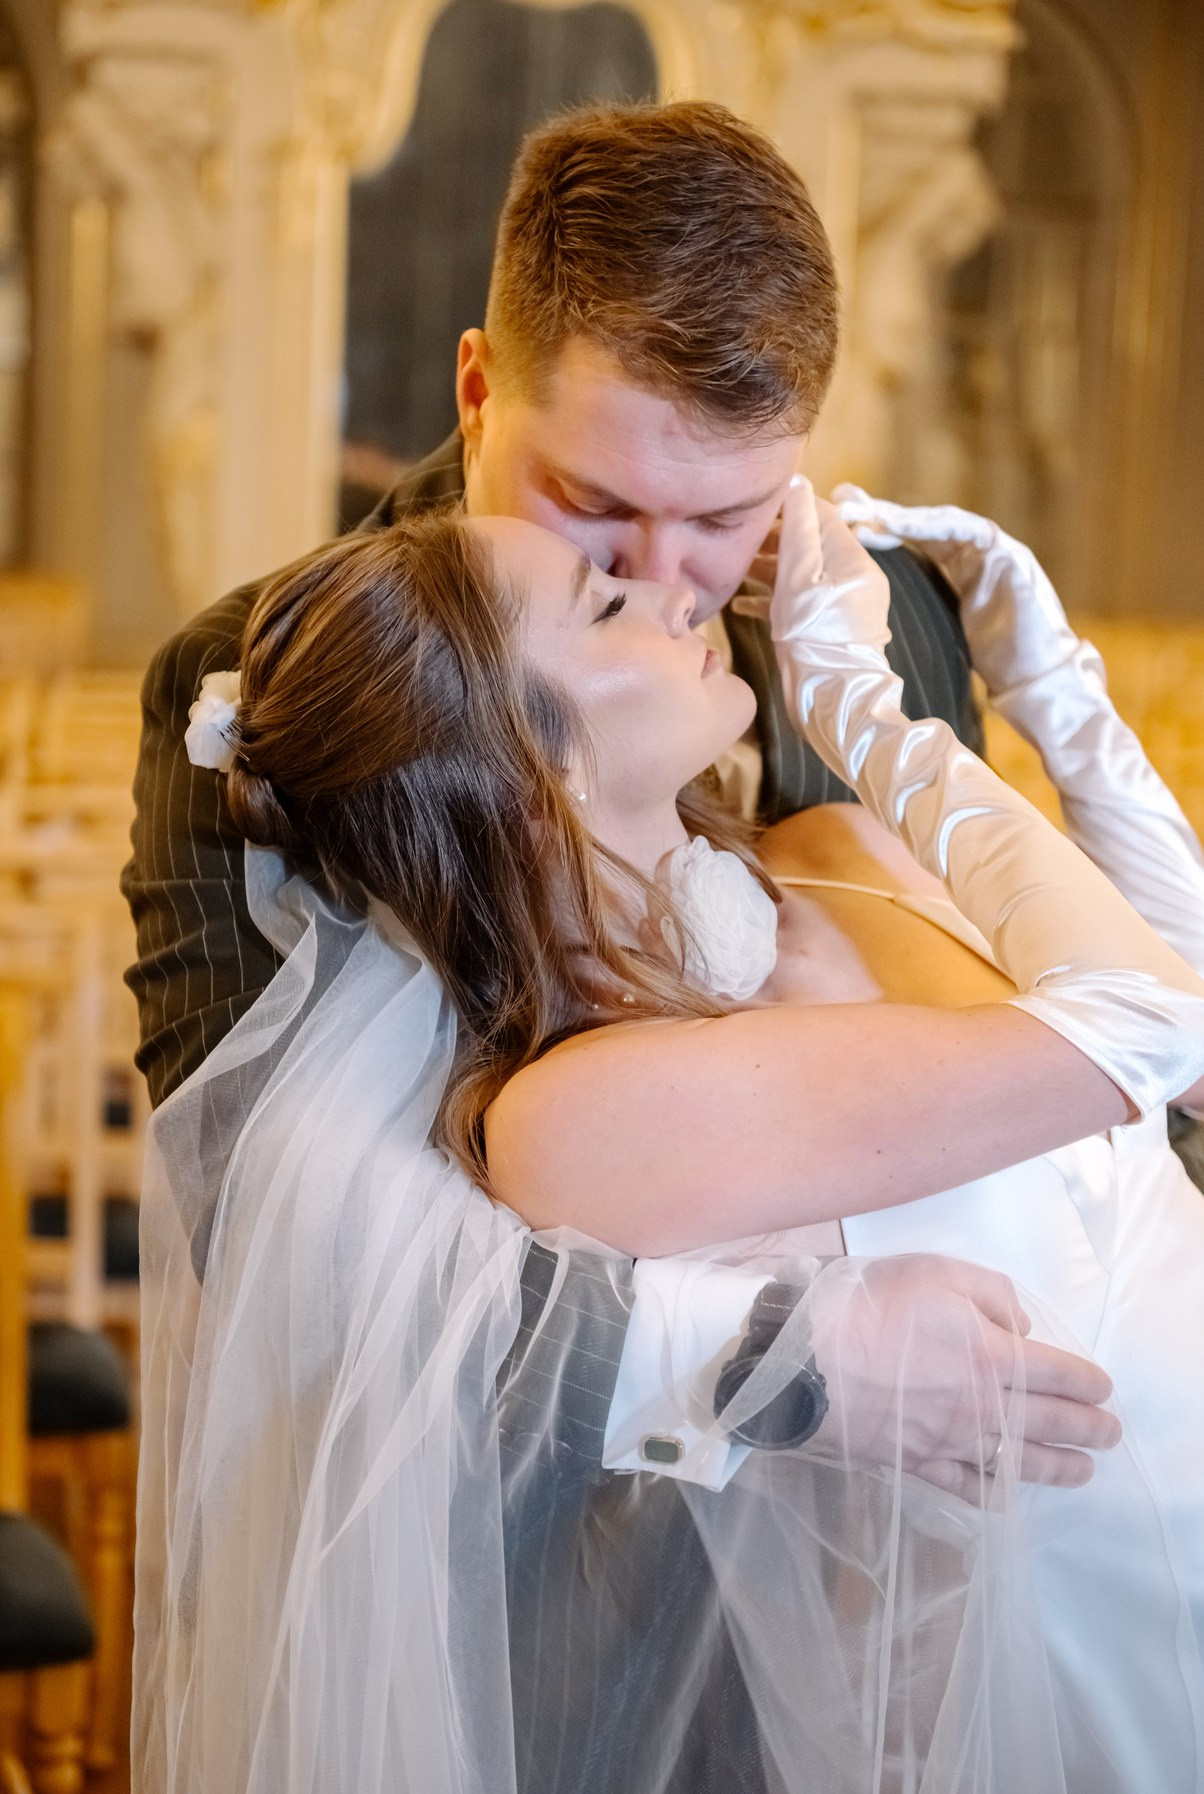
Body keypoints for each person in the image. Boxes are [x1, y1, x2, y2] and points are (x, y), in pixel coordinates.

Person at [133, 480, 1204, 1794]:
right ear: (544, 776)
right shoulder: (586, 1108)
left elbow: (1185, 1014)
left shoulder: (828, 846)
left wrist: (1048, 679)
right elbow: (1149, 1029)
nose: (674, 591)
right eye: (604, 599)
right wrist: (862, 704)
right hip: (1121, 1625)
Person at [123, 100, 1112, 1492]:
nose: (666, 582)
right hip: (510, 1561)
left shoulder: (898, 620)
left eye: (724, 519)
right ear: (478, 391)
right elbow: (276, 1238)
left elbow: (1003, 1029)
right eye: (592, 503)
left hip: (939, 1537)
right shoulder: (265, 691)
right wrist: (783, 1368)